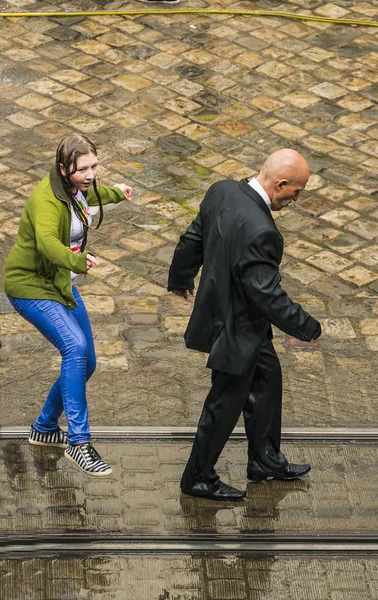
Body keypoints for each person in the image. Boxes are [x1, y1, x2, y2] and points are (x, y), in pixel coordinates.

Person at [168, 149, 322, 501]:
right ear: (281, 183)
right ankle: (198, 477)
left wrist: (180, 277)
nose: (296, 199)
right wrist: (306, 327)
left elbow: (194, 237)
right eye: (297, 191)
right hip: (237, 328)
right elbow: (266, 294)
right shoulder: (262, 231)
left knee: (267, 380)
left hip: (227, 314)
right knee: (224, 403)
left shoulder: (221, 190)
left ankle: (265, 460)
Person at [4, 134, 132, 477]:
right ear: (64, 169)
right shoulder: (47, 200)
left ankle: (44, 428)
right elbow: (47, 243)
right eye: (83, 169)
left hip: (59, 284)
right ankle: (78, 441)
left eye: (94, 166)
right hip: (30, 287)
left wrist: (117, 192)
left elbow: (90, 196)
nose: (91, 174)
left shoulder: (76, 188)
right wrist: (77, 261)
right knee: (74, 348)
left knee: (86, 362)